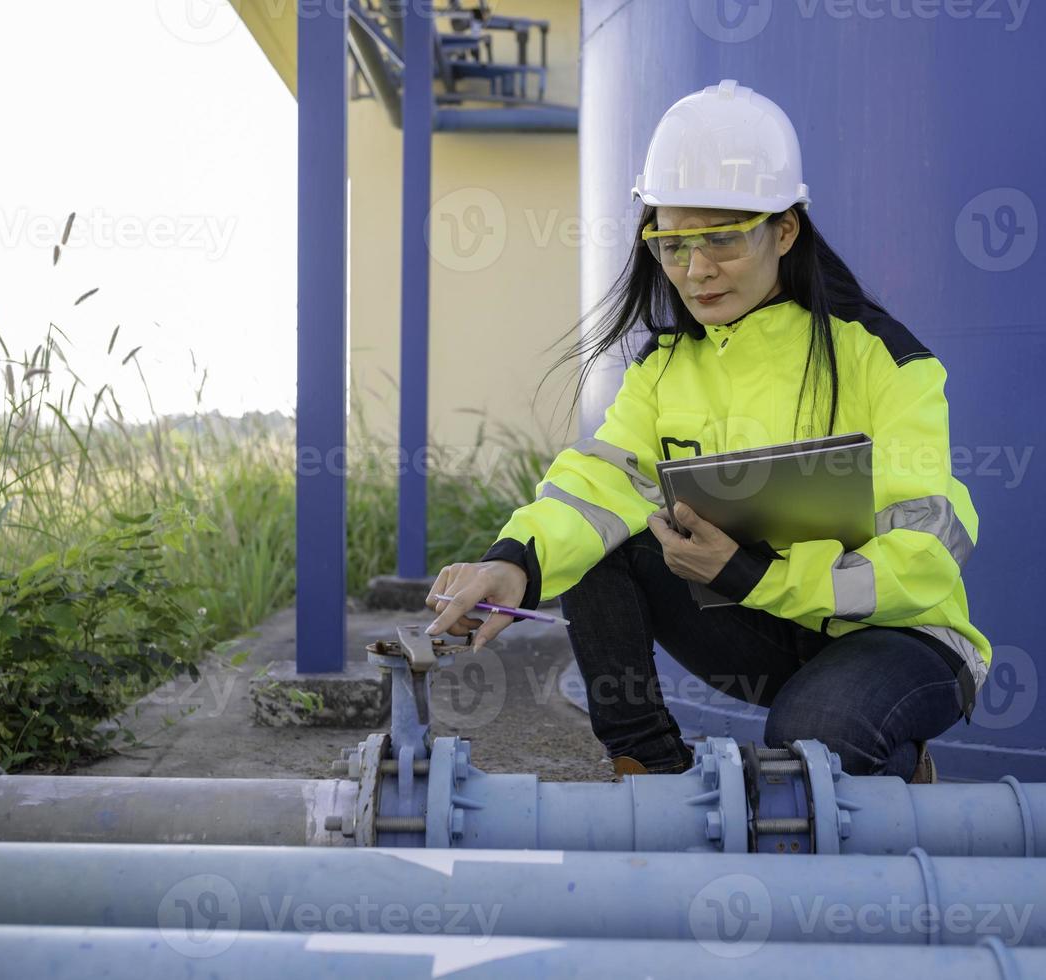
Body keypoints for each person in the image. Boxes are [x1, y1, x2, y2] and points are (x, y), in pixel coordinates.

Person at [424, 79, 990, 783]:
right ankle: (653, 774)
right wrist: (514, 563)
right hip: (764, 620)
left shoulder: (886, 361)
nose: (694, 272)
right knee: (601, 540)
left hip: (899, 636)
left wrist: (752, 573)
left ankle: (890, 767)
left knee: (810, 743)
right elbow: (597, 485)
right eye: (671, 244)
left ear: (784, 230)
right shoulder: (664, 369)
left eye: (721, 239)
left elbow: (927, 554)